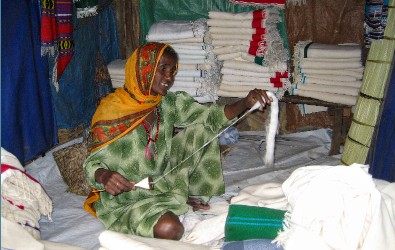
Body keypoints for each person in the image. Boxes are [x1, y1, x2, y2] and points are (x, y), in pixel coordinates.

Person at [83, 42, 271, 240]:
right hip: (127, 197)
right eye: (162, 69)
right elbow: (91, 164)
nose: (169, 78)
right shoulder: (113, 111)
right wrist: (104, 176)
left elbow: (210, 117)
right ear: (143, 70)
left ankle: (188, 196)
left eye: (172, 71)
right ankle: (173, 203)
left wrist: (245, 102)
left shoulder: (166, 103)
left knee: (202, 129)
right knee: (170, 229)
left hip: (159, 181)